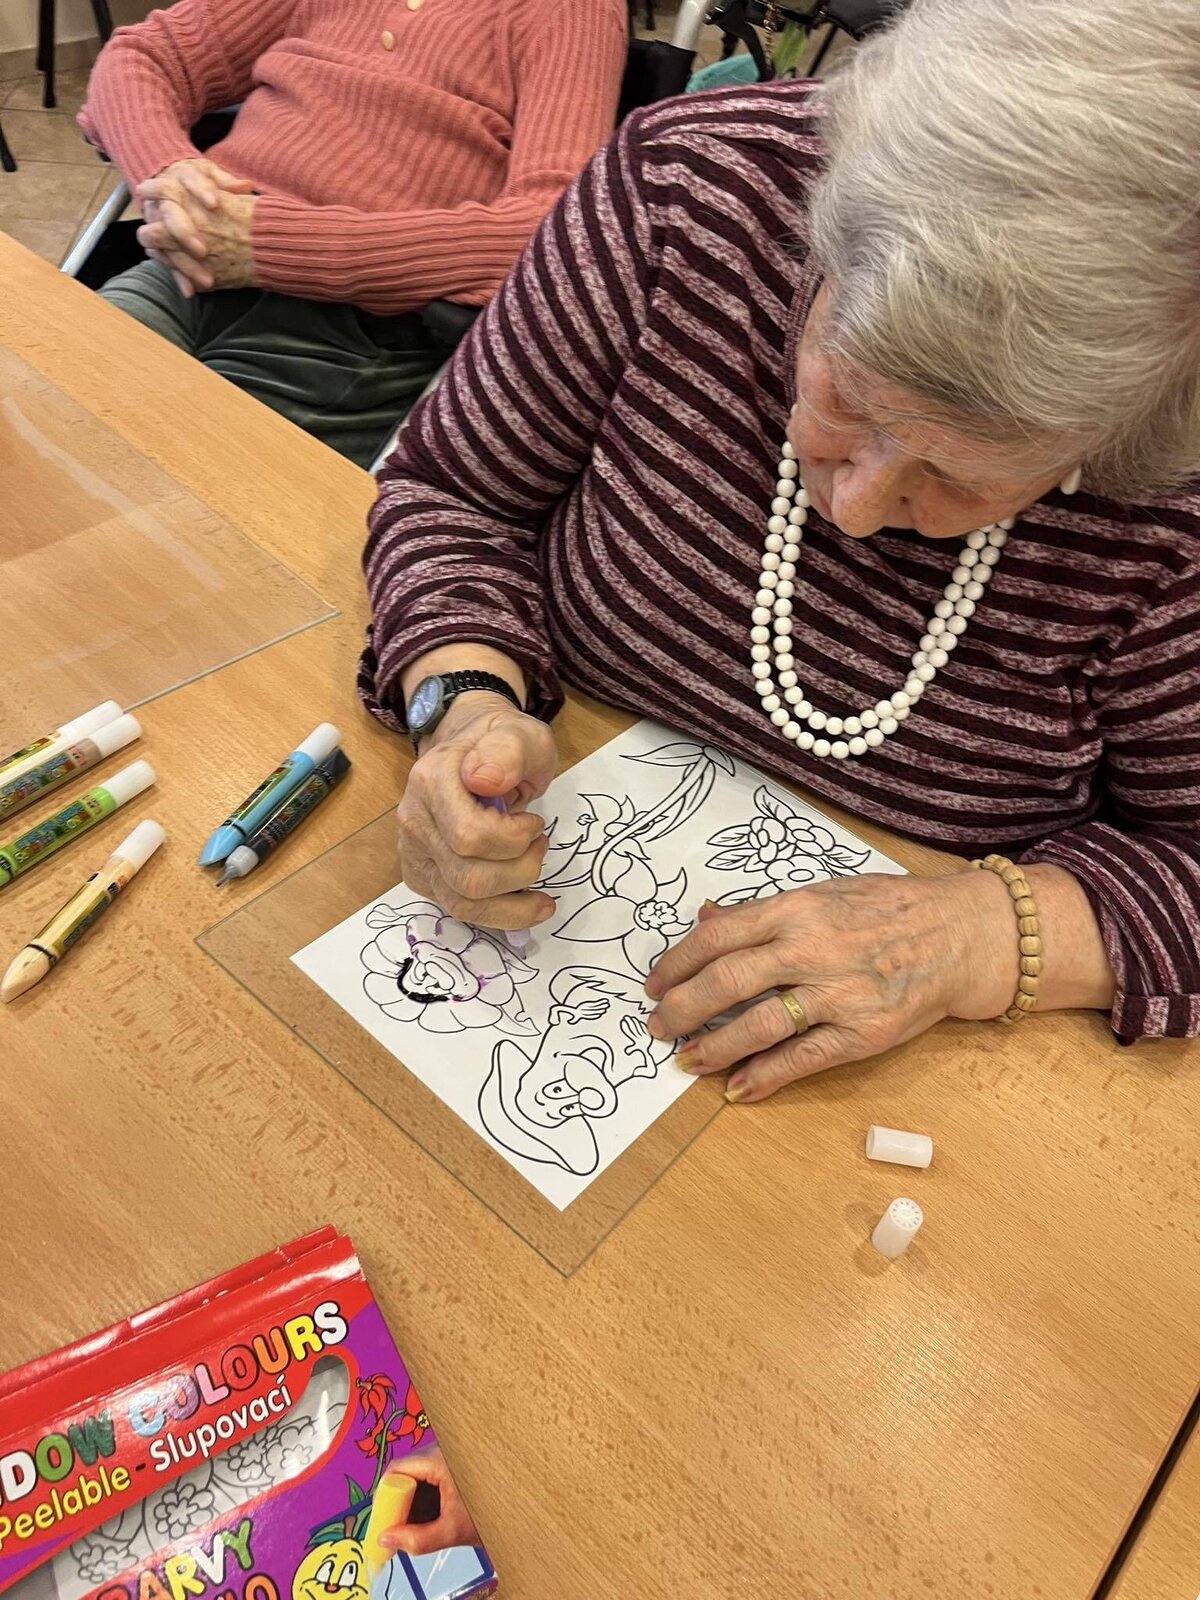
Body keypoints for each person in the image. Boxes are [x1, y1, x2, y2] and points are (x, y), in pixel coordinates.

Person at [359, 0, 1200, 1102]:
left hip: (918, 1087)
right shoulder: (692, 190)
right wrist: (462, 699)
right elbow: (450, 491)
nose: (856, 505)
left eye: (959, 474)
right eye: (846, 397)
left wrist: (981, 935)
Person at [77, 0, 626, 467]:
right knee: (49, 405)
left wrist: (267, 245)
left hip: (347, 334)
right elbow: (142, 56)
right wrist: (169, 172)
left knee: (159, 498)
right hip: (192, 264)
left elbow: (553, 232)